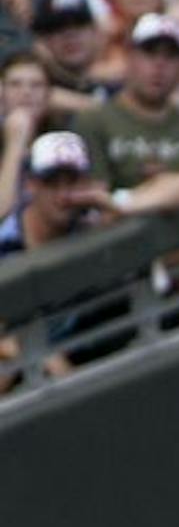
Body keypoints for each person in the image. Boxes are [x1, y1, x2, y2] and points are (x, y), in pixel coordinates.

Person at [0, 131, 134, 390]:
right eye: (51, 183)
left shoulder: (91, 228)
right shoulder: (5, 240)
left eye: (72, 182)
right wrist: (45, 358)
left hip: (73, 353)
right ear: (31, 184)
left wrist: (117, 205)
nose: (62, 194)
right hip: (23, 360)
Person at [72, 13, 179, 216]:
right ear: (129, 56)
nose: (159, 65)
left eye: (171, 56)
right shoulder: (94, 121)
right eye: (150, 53)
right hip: (118, 237)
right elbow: (93, 206)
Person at [0, 51, 60, 219]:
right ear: (1, 93)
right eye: (15, 84)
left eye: (36, 85)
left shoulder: (62, 140)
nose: (26, 92)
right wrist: (16, 142)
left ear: (49, 95)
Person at [30, 0, 109, 112]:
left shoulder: (123, 85)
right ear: (43, 41)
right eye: (57, 27)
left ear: (96, 31)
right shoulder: (32, 91)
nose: (70, 35)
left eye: (79, 24)